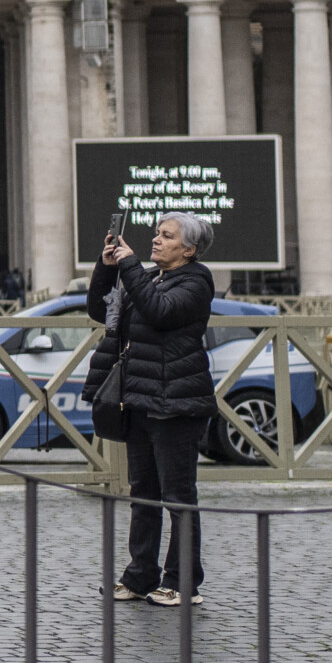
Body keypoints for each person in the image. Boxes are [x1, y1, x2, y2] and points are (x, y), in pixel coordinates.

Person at [90, 212, 217, 603]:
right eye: (157, 234)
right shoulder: (149, 275)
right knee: (143, 492)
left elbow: (161, 312)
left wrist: (129, 267)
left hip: (178, 402)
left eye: (167, 236)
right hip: (141, 399)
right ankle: (140, 576)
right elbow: (101, 311)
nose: (156, 241)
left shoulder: (197, 280)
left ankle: (182, 582)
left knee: (178, 496)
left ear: (189, 250)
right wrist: (108, 268)